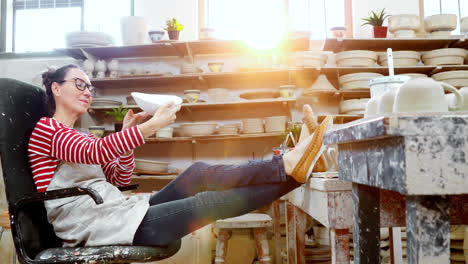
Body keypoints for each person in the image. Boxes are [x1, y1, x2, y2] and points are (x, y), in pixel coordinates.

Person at [28, 64, 332, 247]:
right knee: (207, 203)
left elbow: (119, 179)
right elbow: (95, 151)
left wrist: (130, 143)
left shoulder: (79, 135)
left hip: (114, 211)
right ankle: (291, 167)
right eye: (79, 84)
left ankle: (292, 164)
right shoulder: (47, 129)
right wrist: (151, 126)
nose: (87, 91)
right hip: (93, 224)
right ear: (56, 88)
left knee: (198, 172)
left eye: (90, 86)